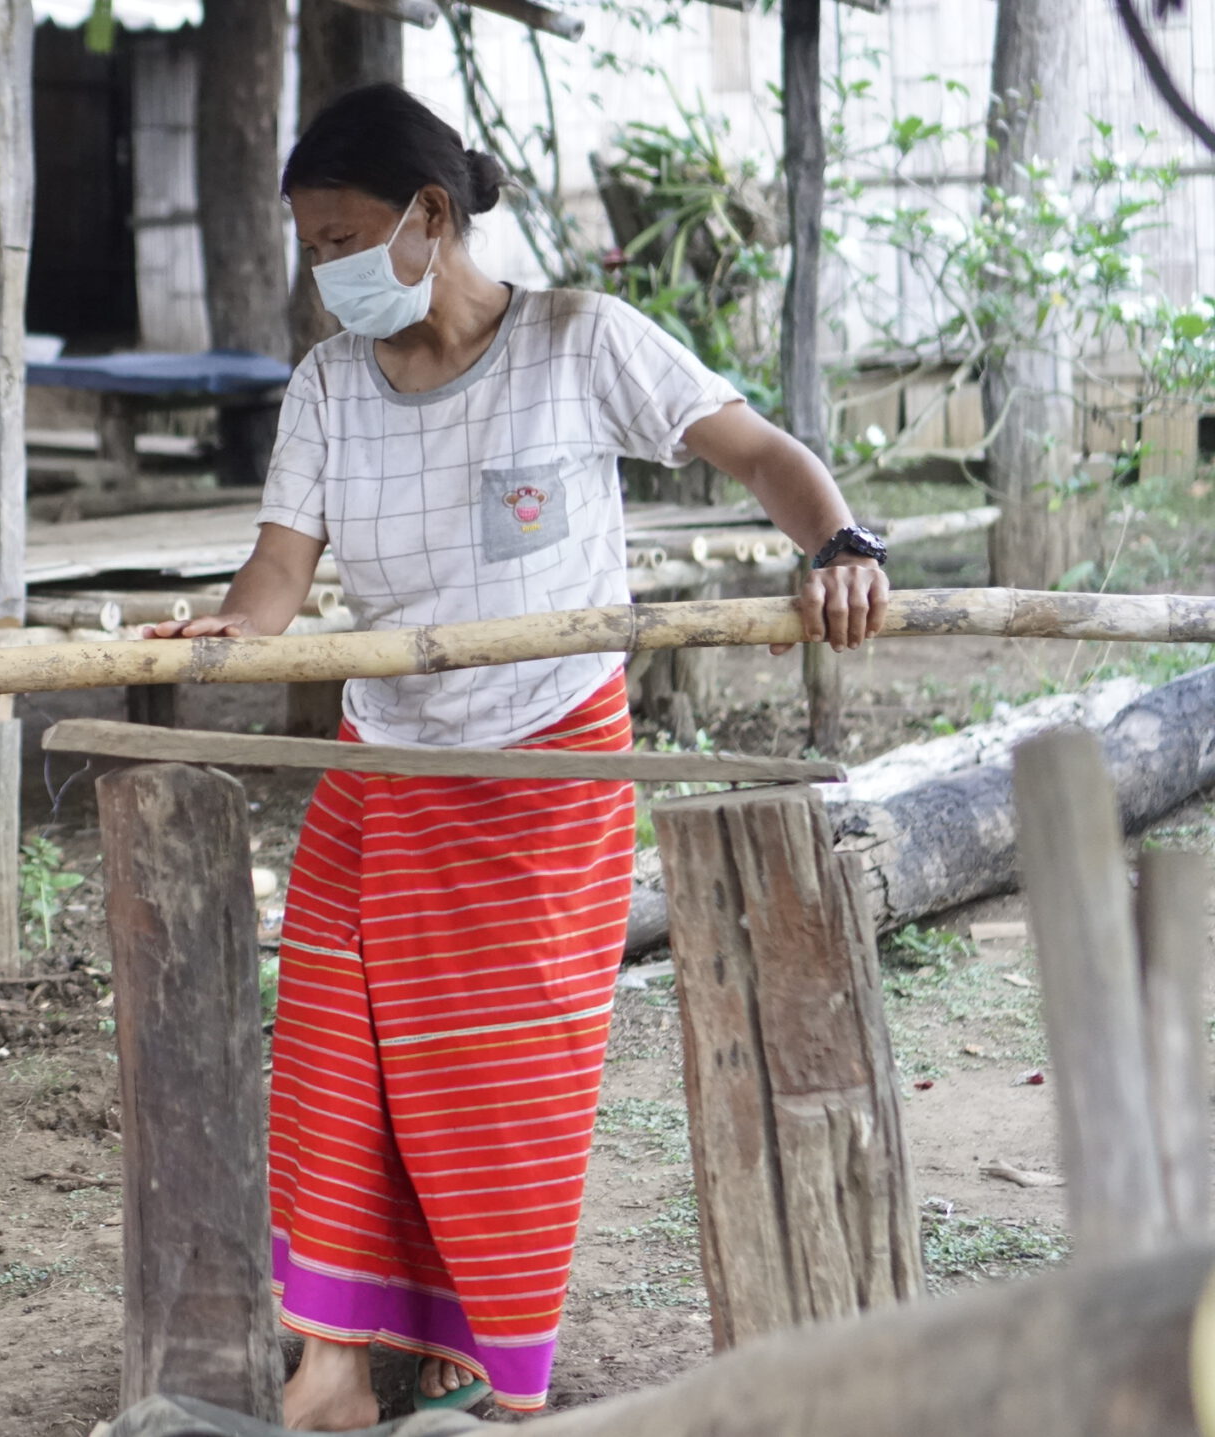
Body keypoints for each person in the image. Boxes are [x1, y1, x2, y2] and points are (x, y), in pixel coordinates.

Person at [154, 84, 890, 1426]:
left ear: (430, 217)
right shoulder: (328, 385)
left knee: (498, 1076)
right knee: (334, 1048)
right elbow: (278, 569)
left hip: (547, 769)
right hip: (386, 767)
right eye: (310, 247)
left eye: (342, 240)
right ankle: (332, 1360)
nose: (325, 272)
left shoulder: (578, 339)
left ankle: (486, 1360)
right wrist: (229, 630)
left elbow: (757, 452)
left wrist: (839, 543)